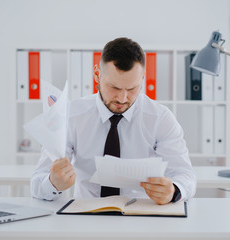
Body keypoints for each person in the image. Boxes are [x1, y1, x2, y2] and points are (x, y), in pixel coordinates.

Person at [31, 37, 196, 205]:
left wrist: (174, 191)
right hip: (86, 216)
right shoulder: (71, 115)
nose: (122, 98)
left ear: (143, 79)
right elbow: (37, 182)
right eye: (114, 87)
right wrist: (53, 183)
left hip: (142, 216)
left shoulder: (160, 118)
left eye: (132, 88)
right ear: (97, 75)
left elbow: (185, 175)